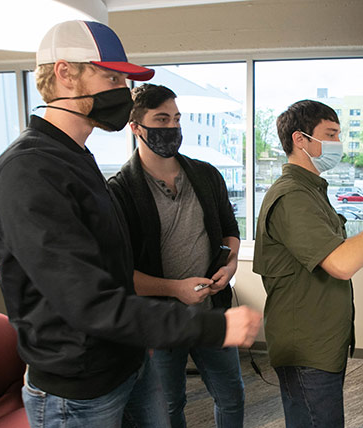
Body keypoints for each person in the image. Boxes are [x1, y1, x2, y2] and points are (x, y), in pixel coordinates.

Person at [0, 20, 261, 428]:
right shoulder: (29, 171)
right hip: (80, 388)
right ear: (65, 73)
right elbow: (88, 302)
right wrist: (215, 326)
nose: (122, 92)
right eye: (110, 76)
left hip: (128, 362)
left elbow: (112, 269)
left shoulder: (77, 159)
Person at [252, 100, 363, 427]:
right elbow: (342, 264)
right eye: (330, 135)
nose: (338, 144)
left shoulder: (311, 190)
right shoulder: (293, 196)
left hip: (320, 342)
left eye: (338, 135)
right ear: (299, 140)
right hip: (306, 349)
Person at [108, 83, 245, 428]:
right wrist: (174, 289)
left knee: (232, 395)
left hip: (211, 312)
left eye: (177, 119)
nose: (172, 127)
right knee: (168, 406)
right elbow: (122, 272)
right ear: (136, 126)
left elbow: (230, 231)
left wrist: (229, 266)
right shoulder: (120, 190)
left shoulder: (206, 175)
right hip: (159, 322)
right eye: (161, 119)